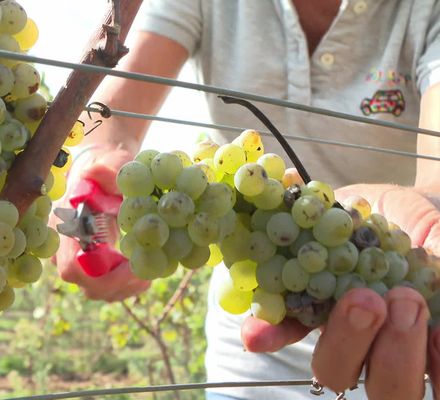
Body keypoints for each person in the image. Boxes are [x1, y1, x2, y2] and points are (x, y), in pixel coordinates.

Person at [53, 0, 440, 398]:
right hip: (252, 351)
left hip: (407, 332)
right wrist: (89, 169)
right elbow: (115, 113)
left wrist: (429, 216)